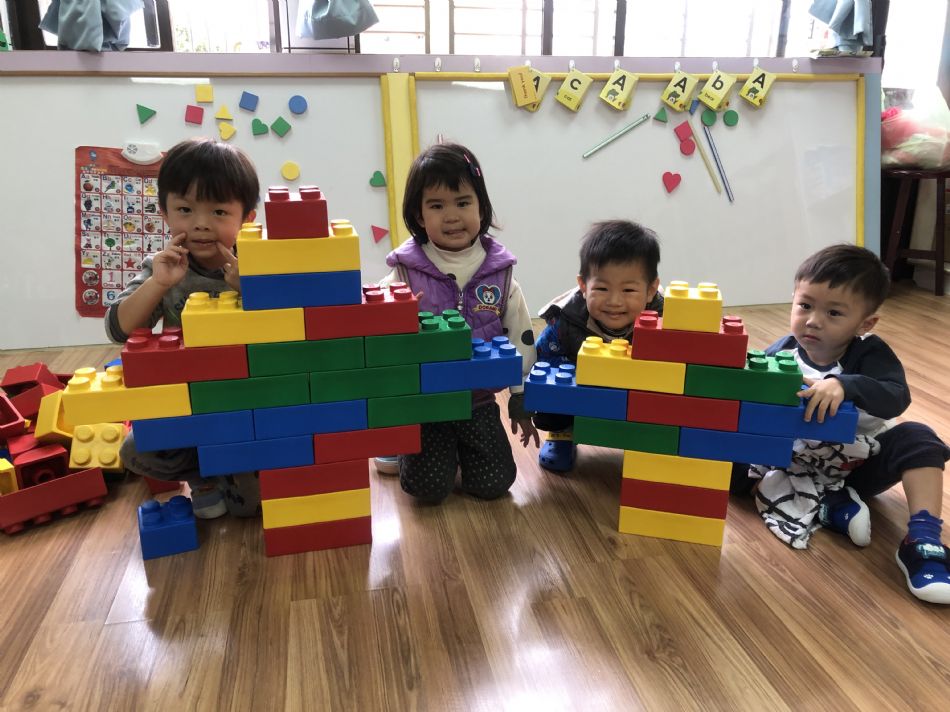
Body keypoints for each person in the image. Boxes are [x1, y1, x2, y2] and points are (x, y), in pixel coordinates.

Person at [732, 244, 950, 604]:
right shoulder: (781, 351)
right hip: (791, 463)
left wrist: (845, 385)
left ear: (865, 323)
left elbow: (897, 396)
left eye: (833, 312)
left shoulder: (870, 354)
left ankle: (923, 538)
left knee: (919, 438)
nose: (813, 320)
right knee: (725, 456)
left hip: (858, 467)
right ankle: (828, 505)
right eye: (805, 305)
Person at [373, 142, 539, 503]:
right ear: (419, 216)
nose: (451, 216)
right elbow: (374, 323)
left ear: (481, 207)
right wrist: (396, 314)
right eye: (437, 206)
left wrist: (520, 398)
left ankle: (459, 454)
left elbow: (520, 338)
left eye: (463, 203)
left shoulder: (501, 274)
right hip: (427, 404)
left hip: (478, 401)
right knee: (427, 489)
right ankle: (405, 451)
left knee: (494, 483)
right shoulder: (404, 272)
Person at [106, 137, 262, 519]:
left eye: (219, 211)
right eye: (185, 209)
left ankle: (229, 466)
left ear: (247, 218)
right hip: (186, 401)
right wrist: (158, 284)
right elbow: (119, 328)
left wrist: (254, 289)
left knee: (247, 509)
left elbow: (293, 327)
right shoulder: (161, 266)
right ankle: (201, 476)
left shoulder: (258, 264)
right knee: (134, 451)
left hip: (244, 403)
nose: (201, 224)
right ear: (165, 213)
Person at [532, 220, 663, 473]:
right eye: (602, 288)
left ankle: (651, 438)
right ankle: (562, 434)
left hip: (638, 393)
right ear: (583, 286)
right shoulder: (566, 322)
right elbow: (543, 358)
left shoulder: (664, 320)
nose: (614, 301)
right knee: (551, 392)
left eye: (628, 290)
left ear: (650, 290)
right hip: (584, 388)